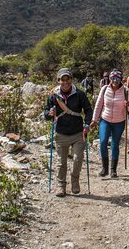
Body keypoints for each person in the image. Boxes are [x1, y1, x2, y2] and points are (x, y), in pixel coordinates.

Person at [44, 68, 92, 197]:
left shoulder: (80, 94)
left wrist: (87, 124)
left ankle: (75, 181)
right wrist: (49, 114)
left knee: (78, 158)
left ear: (71, 79)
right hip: (61, 132)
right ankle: (61, 186)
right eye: (62, 79)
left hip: (77, 132)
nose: (65, 82)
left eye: (67, 79)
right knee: (61, 162)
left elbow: (88, 109)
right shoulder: (53, 96)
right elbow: (46, 114)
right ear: (58, 81)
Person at [91, 69, 129, 178]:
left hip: (119, 121)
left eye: (117, 79)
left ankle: (113, 170)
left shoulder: (125, 91)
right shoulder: (104, 89)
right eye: (112, 78)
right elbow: (98, 105)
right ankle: (104, 168)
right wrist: (94, 119)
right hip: (105, 119)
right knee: (103, 142)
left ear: (120, 79)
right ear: (109, 79)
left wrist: (128, 105)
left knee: (115, 144)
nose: (114, 81)